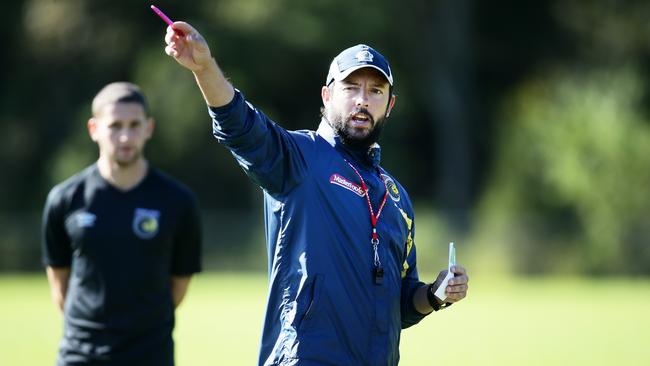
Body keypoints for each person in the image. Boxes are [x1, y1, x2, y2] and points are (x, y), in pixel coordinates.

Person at [163, 22, 469, 366]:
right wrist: (204, 68)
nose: (362, 101)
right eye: (351, 87)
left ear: (390, 104)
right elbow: (239, 125)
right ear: (327, 95)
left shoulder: (396, 197)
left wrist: (435, 294)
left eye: (375, 91)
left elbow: (398, 304)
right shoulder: (300, 157)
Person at [41, 82, 202, 366]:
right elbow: (59, 284)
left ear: (149, 128)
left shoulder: (178, 201)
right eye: (115, 125)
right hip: (80, 355)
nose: (126, 137)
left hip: (150, 355)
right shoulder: (65, 199)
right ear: (94, 129)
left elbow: (178, 285)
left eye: (134, 125)